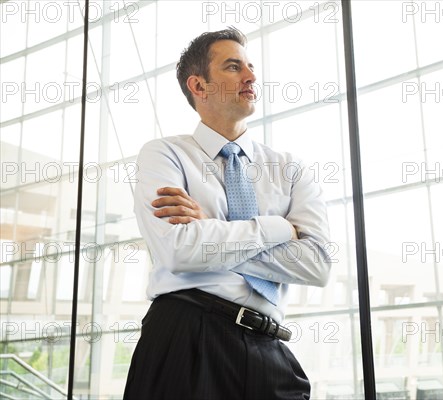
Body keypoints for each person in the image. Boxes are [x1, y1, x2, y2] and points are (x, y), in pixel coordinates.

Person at [123, 27, 331, 400]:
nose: (251, 77)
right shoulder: (164, 155)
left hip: (269, 346)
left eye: (251, 67)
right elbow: (181, 251)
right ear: (199, 87)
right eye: (233, 67)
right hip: (186, 336)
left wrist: (212, 231)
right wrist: (279, 227)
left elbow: (316, 265)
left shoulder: (290, 168)